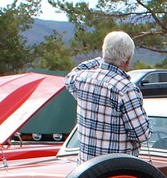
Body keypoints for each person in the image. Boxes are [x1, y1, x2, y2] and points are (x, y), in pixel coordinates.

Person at [64, 31, 151, 163]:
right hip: (116, 174)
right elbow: (142, 134)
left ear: (104, 52)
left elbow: (73, 72)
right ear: (128, 60)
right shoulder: (126, 89)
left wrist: (103, 59)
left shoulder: (81, 79)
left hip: (85, 173)